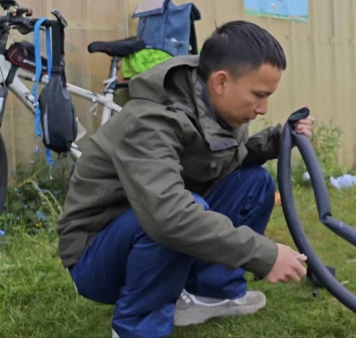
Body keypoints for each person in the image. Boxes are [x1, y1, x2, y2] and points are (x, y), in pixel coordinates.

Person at [56, 21, 312, 338]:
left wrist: (276, 141)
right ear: (221, 82)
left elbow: (223, 162)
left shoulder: (210, 103)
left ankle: (209, 294)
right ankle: (137, 330)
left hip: (147, 220)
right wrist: (264, 254)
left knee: (254, 184)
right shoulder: (151, 119)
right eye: (259, 95)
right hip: (96, 255)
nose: (263, 108)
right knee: (182, 212)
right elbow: (168, 215)